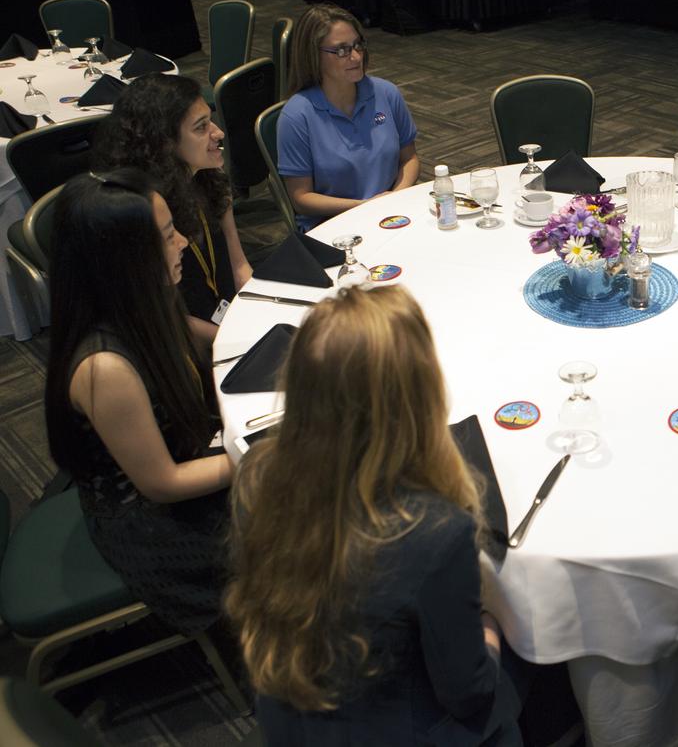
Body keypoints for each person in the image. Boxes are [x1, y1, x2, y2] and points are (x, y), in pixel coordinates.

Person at [225, 286, 523, 745]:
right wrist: (493, 625)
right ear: (415, 397)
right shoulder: (432, 532)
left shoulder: (257, 475)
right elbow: (469, 691)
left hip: (294, 716)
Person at [44, 170, 233, 637]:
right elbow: (163, 484)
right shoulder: (104, 370)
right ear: (126, 258)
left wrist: (258, 335)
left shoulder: (139, 298)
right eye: (169, 235)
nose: (184, 242)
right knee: (309, 510)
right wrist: (258, 452)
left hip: (182, 457)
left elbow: (200, 334)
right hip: (151, 524)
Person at [95, 73, 252, 349]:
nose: (218, 133)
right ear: (165, 141)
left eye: (210, 120)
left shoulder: (210, 177)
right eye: (201, 128)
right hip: (181, 347)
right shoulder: (146, 208)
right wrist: (238, 341)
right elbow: (165, 318)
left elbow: (238, 265)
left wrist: (258, 315)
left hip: (231, 320)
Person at [277, 3, 420, 230]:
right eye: (341, 50)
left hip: (391, 214)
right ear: (313, 55)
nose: (355, 57)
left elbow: (409, 159)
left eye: (358, 45)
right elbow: (301, 198)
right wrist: (363, 206)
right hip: (335, 227)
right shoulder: (296, 116)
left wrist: (395, 198)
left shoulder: (386, 93)